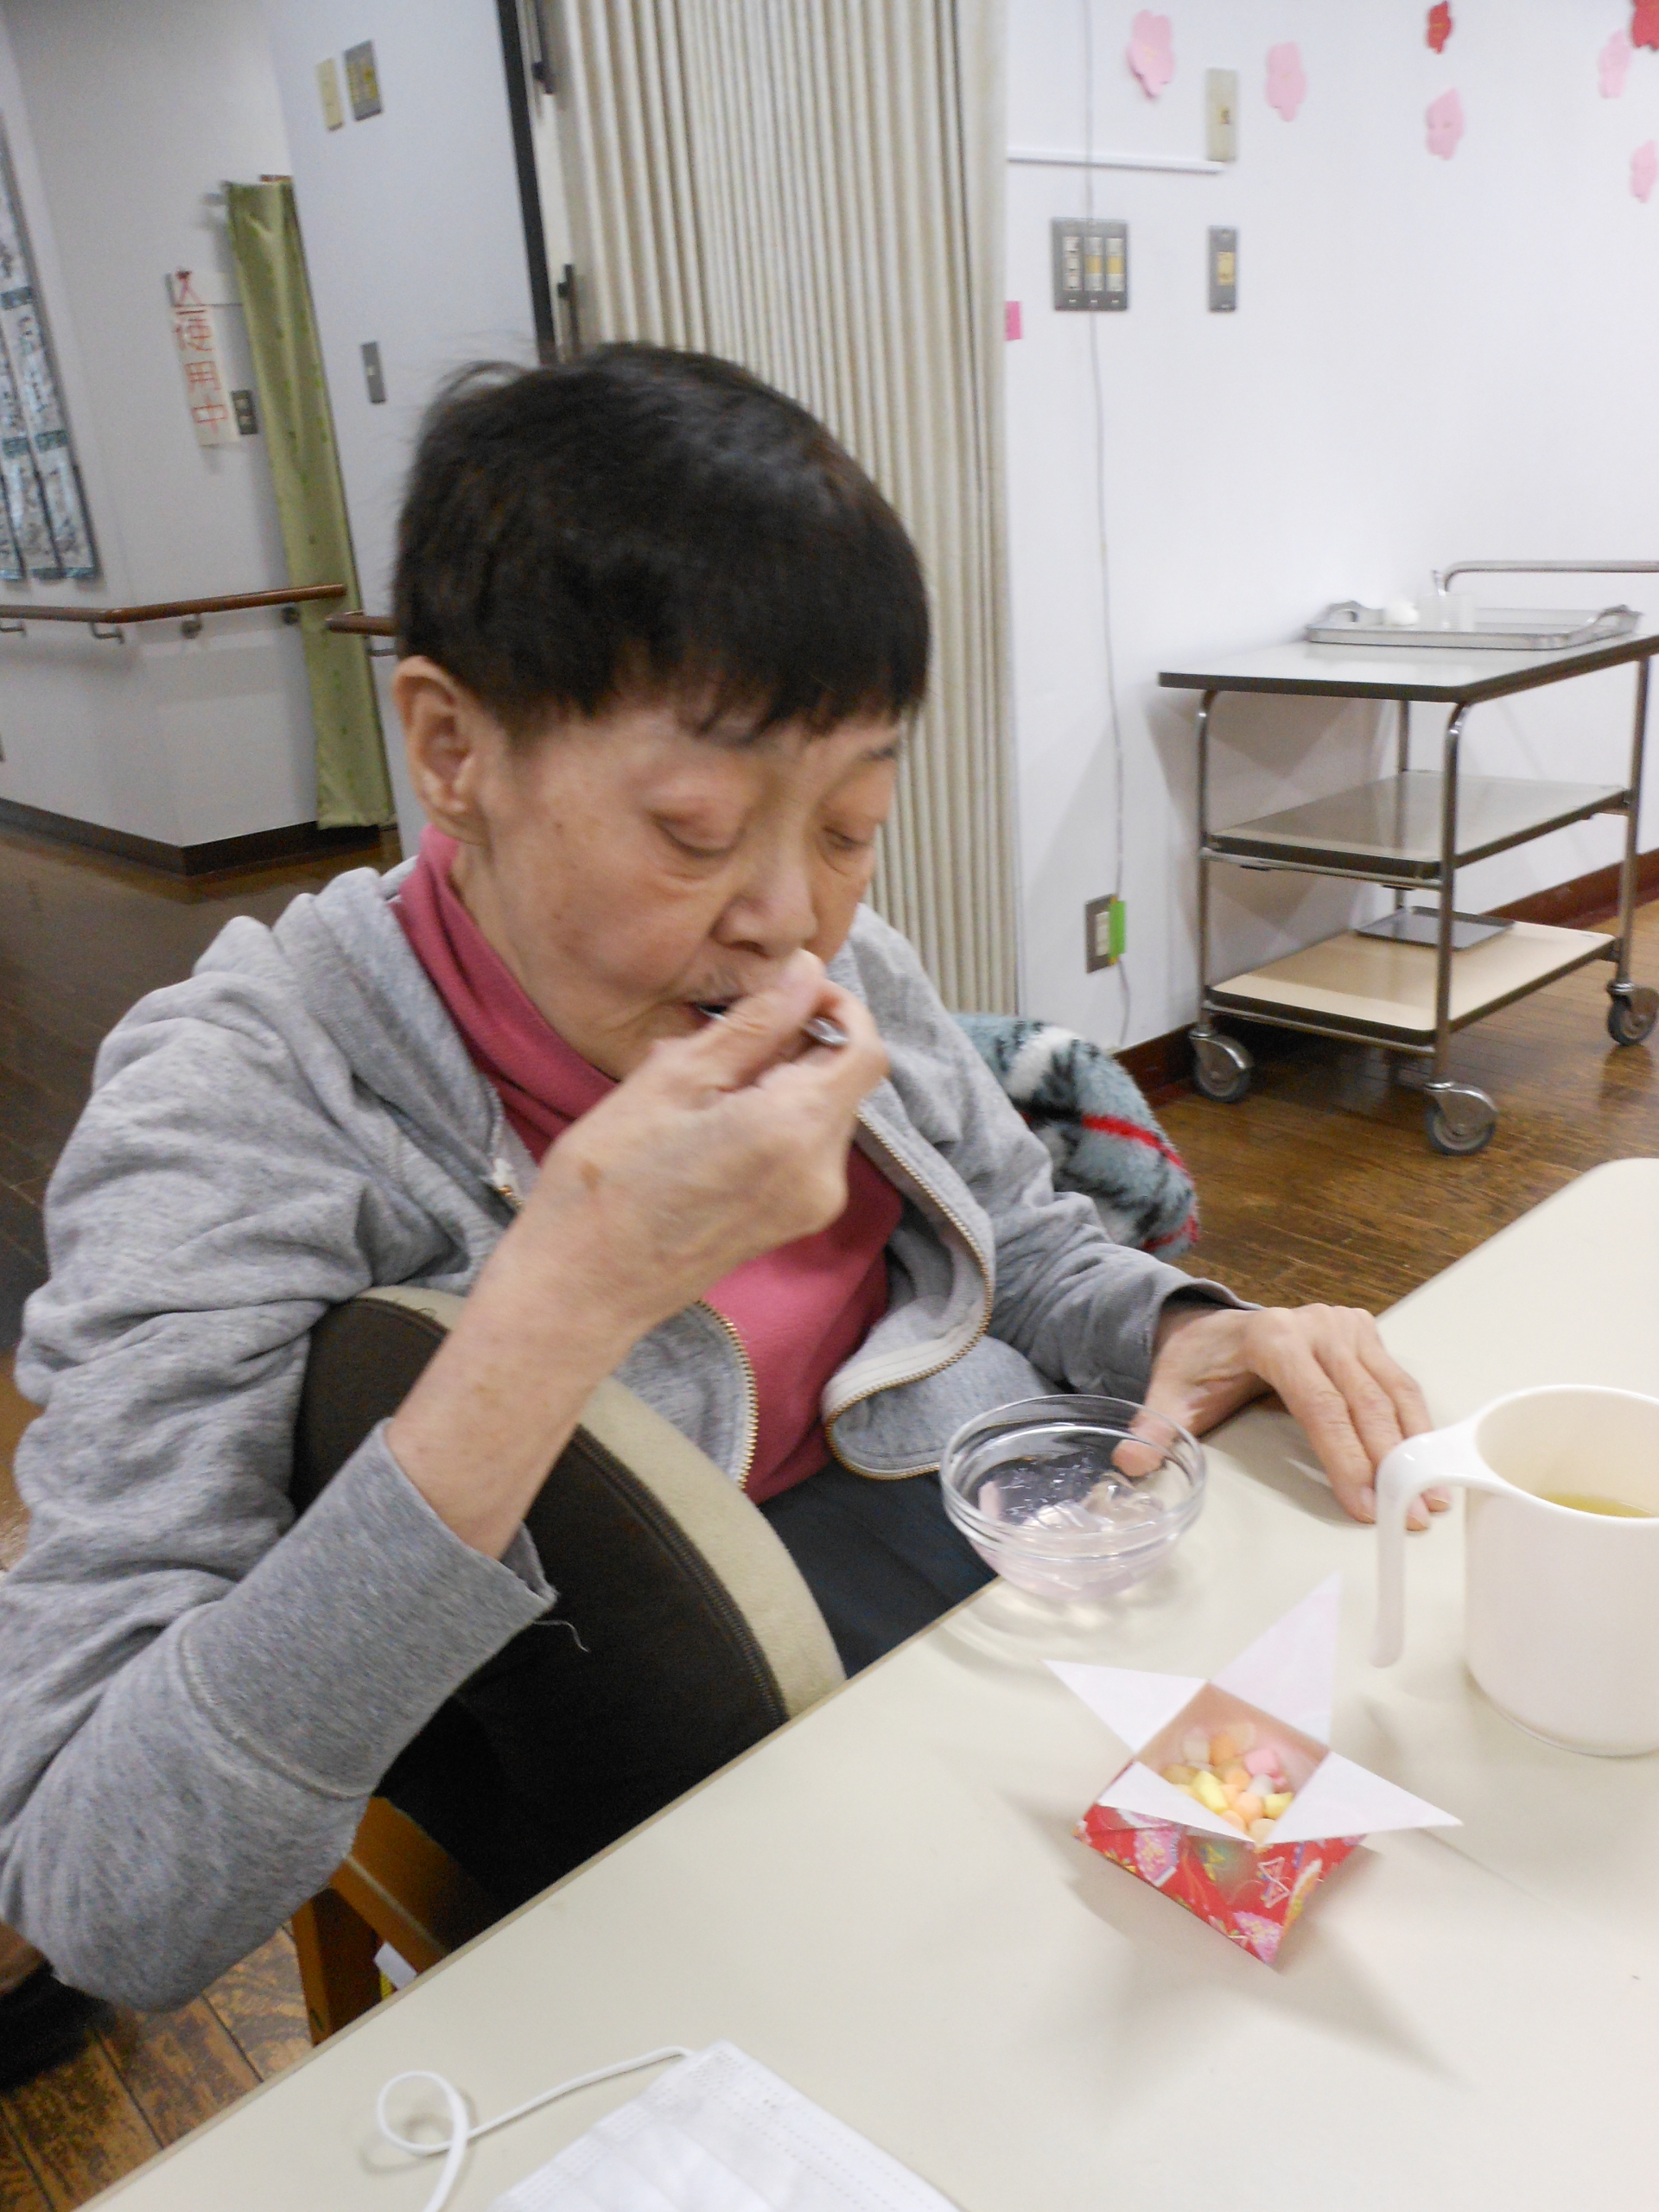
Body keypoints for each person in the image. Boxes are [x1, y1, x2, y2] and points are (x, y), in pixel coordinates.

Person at [0, 346, 1436, 2014]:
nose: (789, 922)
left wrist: (1183, 1324)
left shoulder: (837, 960)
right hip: (638, 1738)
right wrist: (563, 1301)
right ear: (451, 746)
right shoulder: (240, 1107)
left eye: (849, 826)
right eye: (692, 834)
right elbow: (103, 1893)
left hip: (988, 1587)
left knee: (1329, 1928)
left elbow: (1029, 1248)